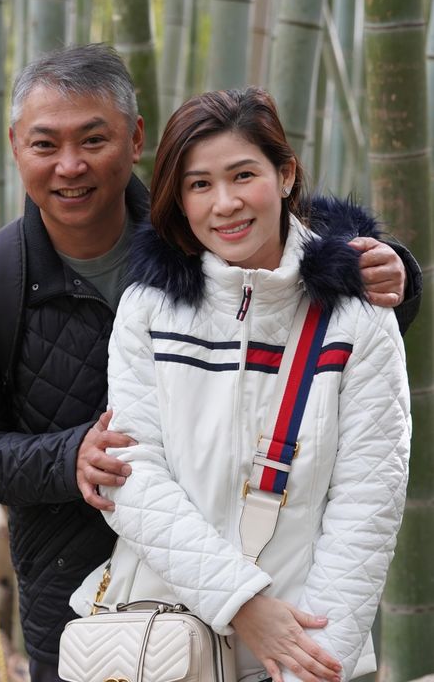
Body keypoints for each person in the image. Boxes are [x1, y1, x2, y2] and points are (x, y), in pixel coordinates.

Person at [0, 44, 417, 682]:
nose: (70, 165)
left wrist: (391, 268)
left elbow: (310, 275)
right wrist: (68, 458)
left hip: (288, 606)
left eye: (92, 139)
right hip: (99, 602)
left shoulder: (202, 232)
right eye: (45, 144)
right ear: (15, 145)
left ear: (134, 140)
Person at [71, 87, 411, 682]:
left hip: (304, 641)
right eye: (199, 184)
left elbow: (368, 503)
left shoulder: (357, 315)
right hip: (160, 636)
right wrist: (242, 605)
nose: (224, 203)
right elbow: (133, 475)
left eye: (242, 175)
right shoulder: (150, 309)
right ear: (178, 198)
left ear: (285, 175)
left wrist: (311, 663)